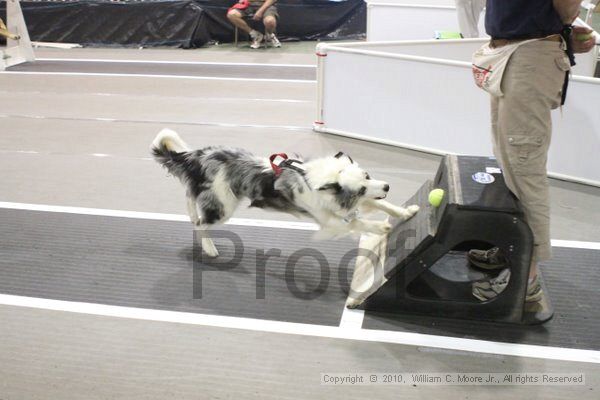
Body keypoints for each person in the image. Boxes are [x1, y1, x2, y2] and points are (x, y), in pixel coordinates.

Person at [470, 0, 596, 303]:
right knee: (509, 160)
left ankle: (526, 275)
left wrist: (562, 23)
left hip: (530, 55)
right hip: (511, 53)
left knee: (524, 165)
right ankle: (512, 247)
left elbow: (566, 7)